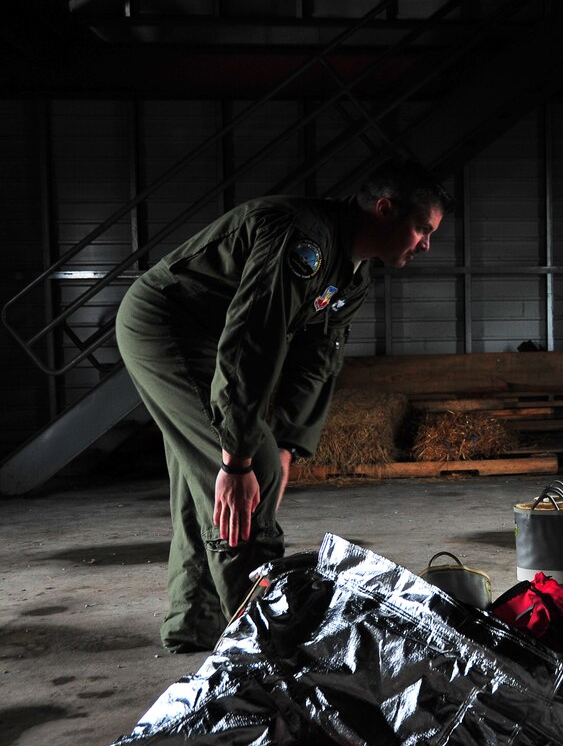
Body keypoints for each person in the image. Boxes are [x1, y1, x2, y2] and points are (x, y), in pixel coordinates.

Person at [116, 159, 452, 653]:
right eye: (422, 229)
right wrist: (238, 457)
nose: (426, 245)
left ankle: (196, 625)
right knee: (247, 475)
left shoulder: (352, 278)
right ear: (385, 210)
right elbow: (255, 339)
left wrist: (292, 442)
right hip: (167, 326)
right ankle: (267, 642)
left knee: (206, 482)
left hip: (212, 338)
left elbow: (316, 361)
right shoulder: (304, 242)